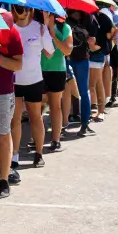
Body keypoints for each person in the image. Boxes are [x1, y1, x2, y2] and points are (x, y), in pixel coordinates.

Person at [11, 5, 56, 167]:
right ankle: (14, 155)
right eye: (17, 8)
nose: (20, 11)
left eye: (23, 8)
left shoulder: (39, 28)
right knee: (14, 120)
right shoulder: (10, 28)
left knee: (35, 118)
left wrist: (45, 29)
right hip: (14, 81)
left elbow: (50, 53)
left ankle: (38, 153)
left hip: (34, 81)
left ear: (30, 10)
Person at [0, 12, 23, 195]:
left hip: (2, 92)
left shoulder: (11, 32)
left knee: (2, 135)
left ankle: (4, 179)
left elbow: (18, 65)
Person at [40, 13, 73, 152]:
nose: (45, 15)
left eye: (48, 13)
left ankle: (55, 139)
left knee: (55, 106)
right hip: (38, 70)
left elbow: (67, 50)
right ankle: (36, 139)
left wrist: (53, 35)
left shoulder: (64, 28)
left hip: (57, 70)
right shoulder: (37, 27)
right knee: (38, 107)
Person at [66, 9, 99, 136]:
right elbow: (92, 41)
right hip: (82, 60)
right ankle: (85, 124)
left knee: (64, 93)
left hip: (66, 59)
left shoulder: (62, 18)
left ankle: (61, 124)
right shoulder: (89, 19)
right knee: (84, 92)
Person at [88, 6, 114, 121]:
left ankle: (98, 110)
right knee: (94, 84)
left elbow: (113, 30)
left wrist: (97, 45)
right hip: (96, 52)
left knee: (94, 84)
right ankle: (98, 110)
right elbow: (112, 31)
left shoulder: (97, 18)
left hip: (97, 53)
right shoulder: (100, 16)